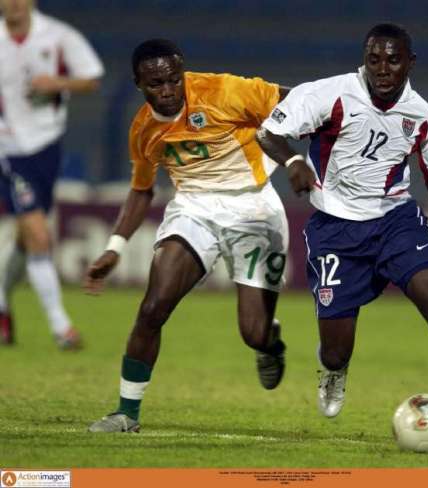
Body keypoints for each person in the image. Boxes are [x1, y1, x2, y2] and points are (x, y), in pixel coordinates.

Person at [257, 23, 428, 454]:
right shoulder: (328, 94)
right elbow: (268, 131)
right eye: (374, 59)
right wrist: (295, 160)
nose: (383, 69)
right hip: (335, 229)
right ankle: (334, 372)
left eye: (393, 60)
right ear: (364, 60)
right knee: (336, 349)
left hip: (396, 220)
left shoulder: (424, 119)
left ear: (410, 62)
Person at [86, 39, 294, 433]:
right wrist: (115, 247)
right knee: (152, 308)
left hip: (254, 208)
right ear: (138, 84)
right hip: (194, 210)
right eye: (155, 84)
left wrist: (307, 152)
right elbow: (142, 189)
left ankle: (270, 340)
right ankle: (126, 413)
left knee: (253, 333)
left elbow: (298, 101)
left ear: (183, 73)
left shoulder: (224, 91)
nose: (167, 91)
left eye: (173, 80)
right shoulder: (144, 130)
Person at [0, 0, 104, 348]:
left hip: (46, 145)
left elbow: (91, 79)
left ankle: (1, 303)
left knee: (26, 236)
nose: (12, 3)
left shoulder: (59, 36)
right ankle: (62, 328)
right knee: (38, 234)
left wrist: (57, 82)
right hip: (8, 149)